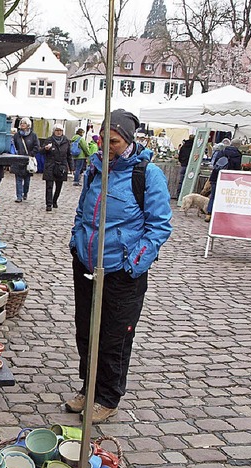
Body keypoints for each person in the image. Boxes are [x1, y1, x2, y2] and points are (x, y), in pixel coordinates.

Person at [67, 109, 173, 423]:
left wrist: (132, 264)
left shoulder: (146, 174)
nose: (105, 146)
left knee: (114, 337)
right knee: (86, 332)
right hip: (87, 265)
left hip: (122, 272)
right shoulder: (94, 170)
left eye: (112, 141)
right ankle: (89, 387)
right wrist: (76, 241)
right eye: (102, 139)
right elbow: (82, 211)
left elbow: (159, 226)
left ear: (127, 140)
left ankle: (108, 397)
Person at [205, 138, 242, 222]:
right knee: (225, 197)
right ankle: (221, 215)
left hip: (215, 176)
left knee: (213, 196)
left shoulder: (222, 151)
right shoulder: (238, 154)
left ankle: (209, 214)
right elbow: (236, 168)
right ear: (238, 145)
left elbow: (215, 164)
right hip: (228, 179)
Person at [41, 123, 73, 211]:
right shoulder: (49, 140)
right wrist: (45, 149)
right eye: (57, 130)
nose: (59, 132)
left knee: (59, 186)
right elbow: (41, 151)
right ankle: (49, 203)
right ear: (54, 131)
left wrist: (71, 167)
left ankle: (55, 200)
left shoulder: (66, 141)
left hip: (61, 166)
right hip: (50, 165)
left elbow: (69, 155)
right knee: (49, 186)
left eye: (60, 130)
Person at [11, 117, 39, 203]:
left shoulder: (33, 135)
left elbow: (36, 146)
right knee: (18, 179)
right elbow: (14, 146)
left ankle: (25, 193)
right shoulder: (17, 135)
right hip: (18, 160)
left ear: (28, 125)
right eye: (21, 123)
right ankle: (19, 196)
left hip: (28, 160)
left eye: (24, 123)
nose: (22, 124)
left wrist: (31, 154)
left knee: (27, 180)